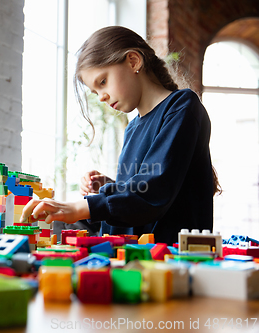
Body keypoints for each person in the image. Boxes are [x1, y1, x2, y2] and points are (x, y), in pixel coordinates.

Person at [20, 26, 220, 245]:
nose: (101, 97)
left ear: (133, 61)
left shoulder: (182, 106)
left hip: (172, 254)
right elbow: (143, 189)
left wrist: (80, 207)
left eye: (103, 82)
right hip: (135, 247)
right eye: (95, 92)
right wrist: (111, 186)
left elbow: (155, 192)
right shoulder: (133, 128)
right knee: (49, 228)